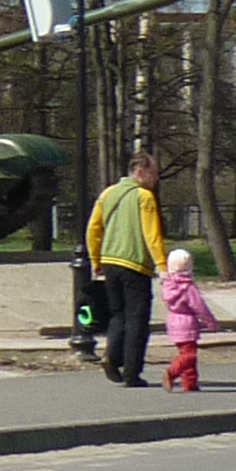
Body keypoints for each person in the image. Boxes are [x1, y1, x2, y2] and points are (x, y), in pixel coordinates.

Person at [83, 151, 165, 388]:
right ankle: (132, 372)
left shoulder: (108, 193)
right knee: (137, 319)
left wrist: (95, 259)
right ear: (140, 171)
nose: (156, 178)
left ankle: (111, 357)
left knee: (118, 315)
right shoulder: (144, 197)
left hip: (109, 262)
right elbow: (152, 235)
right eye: (153, 173)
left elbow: (93, 229)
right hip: (135, 264)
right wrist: (162, 264)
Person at [158, 246, 217, 392]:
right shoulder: (187, 287)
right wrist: (211, 322)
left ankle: (190, 382)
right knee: (189, 354)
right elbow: (199, 306)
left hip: (173, 321)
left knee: (186, 353)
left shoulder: (168, 285)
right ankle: (172, 372)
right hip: (187, 323)